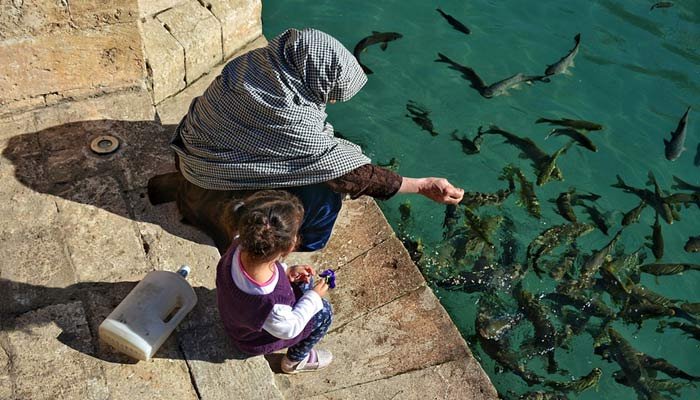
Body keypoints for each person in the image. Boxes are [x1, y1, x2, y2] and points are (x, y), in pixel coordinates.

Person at [149, 27, 464, 253]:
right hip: (213, 178)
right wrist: (422, 185)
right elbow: (350, 174)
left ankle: (196, 195)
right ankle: (298, 243)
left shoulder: (261, 62)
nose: (330, 101)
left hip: (190, 152)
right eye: (330, 93)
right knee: (325, 192)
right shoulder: (290, 117)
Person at [216, 190, 334, 373]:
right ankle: (294, 361)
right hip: (251, 338)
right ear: (290, 246)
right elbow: (290, 328)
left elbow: (264, 268)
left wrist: (287, 271)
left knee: (304, 285)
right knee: (324, 312)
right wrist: (314, 297)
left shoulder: (241, 242)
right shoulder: (270, 303)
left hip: (235, 315)